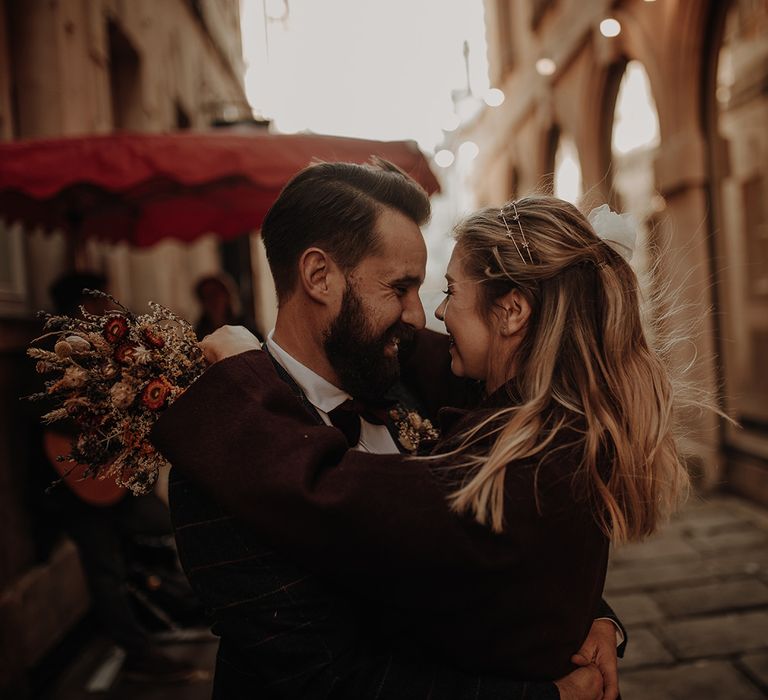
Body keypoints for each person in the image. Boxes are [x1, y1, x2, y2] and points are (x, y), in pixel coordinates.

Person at [152, 162, 629, 699]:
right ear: (318, 276)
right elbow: (323, 684)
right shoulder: (222, 443)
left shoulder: (417, 381)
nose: (422, 316)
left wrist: (587, 613)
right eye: (400, 287)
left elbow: (521, 521)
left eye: (428, 290)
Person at [30, 272, 205, 683]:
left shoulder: (104, 349)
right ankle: (138, 652)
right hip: (77, 484)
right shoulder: (49, 355)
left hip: (112, 479)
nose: (111, 309)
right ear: (82, 307)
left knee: (165, 526)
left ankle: (171, 610)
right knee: (103, 568)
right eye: (100, 304)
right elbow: (45, 418)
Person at [193, 272, 262, 341]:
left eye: (215, 294)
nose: (212, 300)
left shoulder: (245, 327)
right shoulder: (199, 333)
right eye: (206, 296)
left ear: (227, 295)